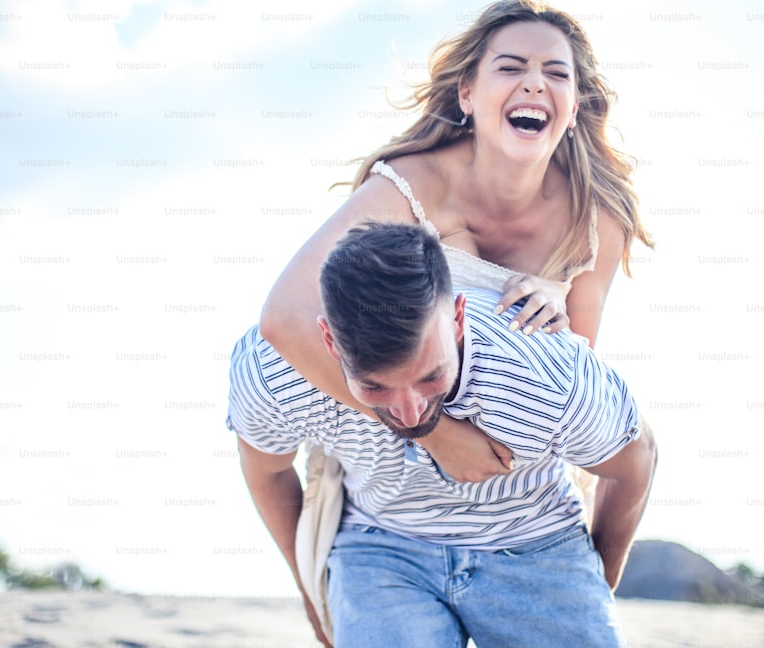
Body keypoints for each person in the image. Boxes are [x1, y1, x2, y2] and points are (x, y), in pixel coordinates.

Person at [259, 0, 655, 484]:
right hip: (387, 452)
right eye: (511, 67)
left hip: (508, 471)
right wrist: (438, 435)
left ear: (572, 107)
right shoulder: (411, 183)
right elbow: (283, 317)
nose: (534, 83)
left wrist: (560, 297)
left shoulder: (598, 219)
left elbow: (573, 378)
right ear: (467, 93)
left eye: (556, 73)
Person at [228, 222, 657, 647]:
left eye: (429, 377)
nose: (410, 413)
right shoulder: (276, 373)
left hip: (535, 540)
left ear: (457, 318)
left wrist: (601, 576)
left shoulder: (544, 372)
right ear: (329, 341)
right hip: (381, 546)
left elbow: (636, 461)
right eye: (375, 387)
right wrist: (308, 588)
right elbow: (266, 470)